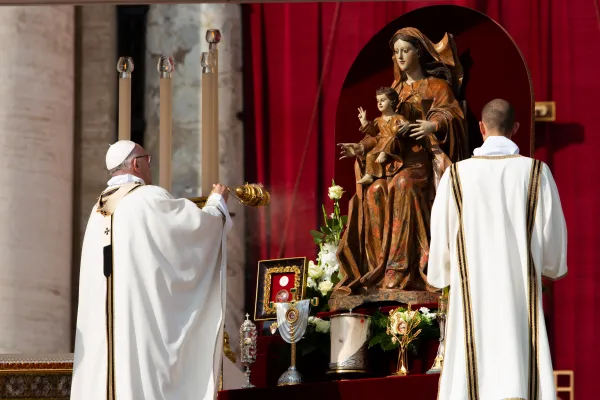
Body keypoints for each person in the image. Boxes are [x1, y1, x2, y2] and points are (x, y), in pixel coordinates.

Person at [71, 140, 233, 400]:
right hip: (139, 326)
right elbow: (192, 232)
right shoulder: (147, 198)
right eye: (148, 159)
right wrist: (217, 205)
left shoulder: (97, 209)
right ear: (136, 164)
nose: (150, 165)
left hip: (105, 331)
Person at [428, 99, 567, 400]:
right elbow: (553, 239)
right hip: (520, 295)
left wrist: (443, 273)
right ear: (515, 129)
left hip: (471, 294)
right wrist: (550, 265)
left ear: (481, 128)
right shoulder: (536, 173)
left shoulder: (456, 176)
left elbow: (440, 236)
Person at [333, 27, 464, 295]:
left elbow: (454, 116)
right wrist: (359, 146)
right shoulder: (395, 91)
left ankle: (402, 268)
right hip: (392, 162)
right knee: (373, 191)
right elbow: (382, 131)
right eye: (396, 52)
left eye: (405, 50)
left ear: (419, 52)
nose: (400, 56)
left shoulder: (437, 86)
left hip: (420, 162)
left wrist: (432, 124)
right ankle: (377, 269)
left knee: (403, 185)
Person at [356, 87, 409, 185]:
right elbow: (373, 132)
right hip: (381, 145)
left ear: (392, 101)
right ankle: (369, 175)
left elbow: (406, 124)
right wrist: (364, 122)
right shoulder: (378, 120)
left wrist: (407, 125)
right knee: (370, 155)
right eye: (378, 101)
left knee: (393, 136)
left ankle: (385, 152)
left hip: (396, 145)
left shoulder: (398, 117)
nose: (379, 103)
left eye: (383, 100)